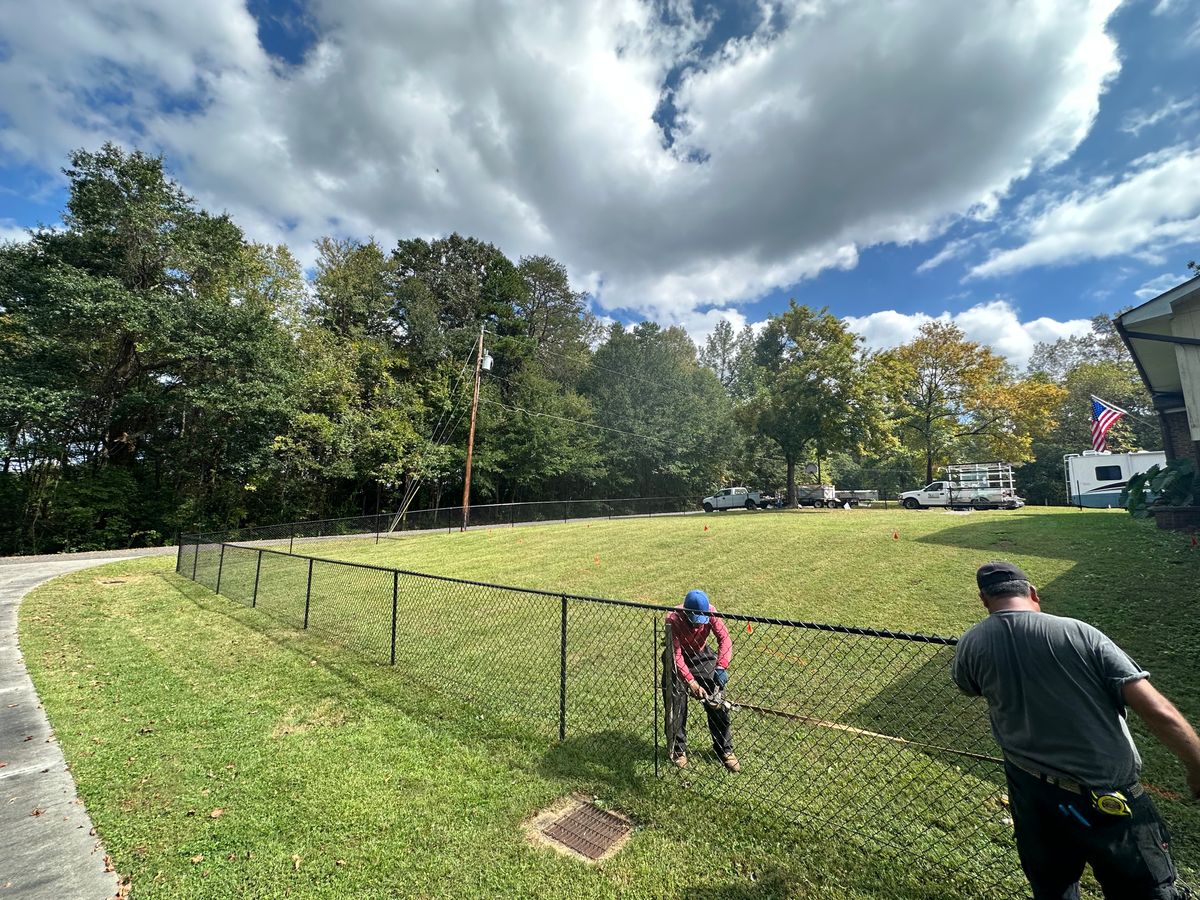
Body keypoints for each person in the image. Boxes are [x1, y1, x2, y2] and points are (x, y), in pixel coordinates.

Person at [951, 560, 1200, 900]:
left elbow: (969, 686)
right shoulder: (1080, 633)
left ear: (984, 600)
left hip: (1031, 793)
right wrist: (1196, 764)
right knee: (1147, 893)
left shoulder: (970, 644)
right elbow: (1157, 710)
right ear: (1033, 593)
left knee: (1053, 889)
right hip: (1106, 797)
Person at [663, 589, 739, 773]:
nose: (698, 626)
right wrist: (690, 682)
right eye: (694, 620)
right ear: (686, 613)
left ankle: (724, 749)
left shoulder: (711, 612)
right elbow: (676, 655)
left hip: (701, 654)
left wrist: (721, 666)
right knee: (676, 701)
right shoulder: (673, 619)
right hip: (676, 658)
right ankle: (678, 749)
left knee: (717, 698)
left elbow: (725, 638)